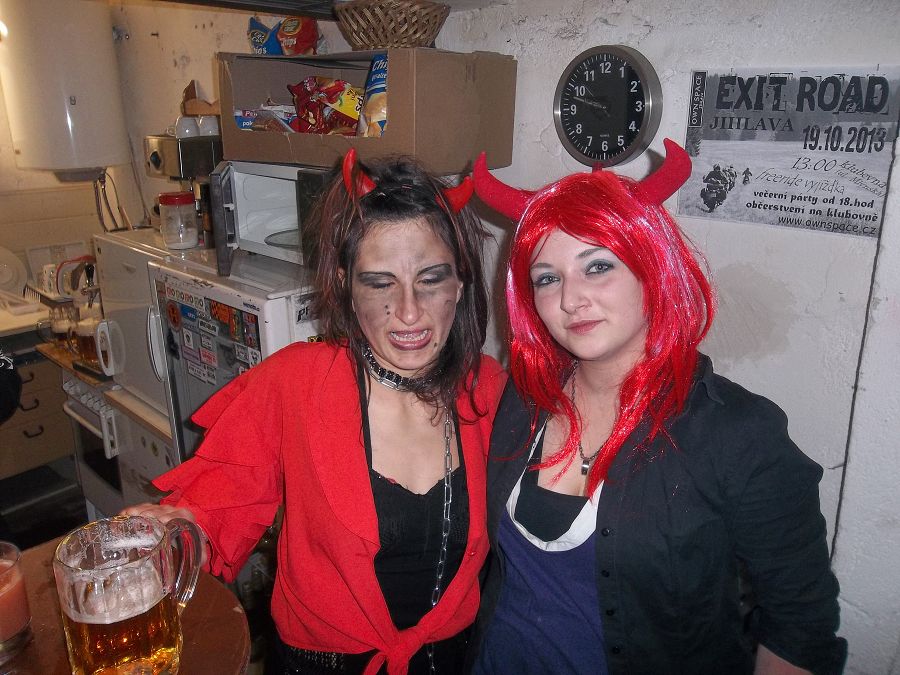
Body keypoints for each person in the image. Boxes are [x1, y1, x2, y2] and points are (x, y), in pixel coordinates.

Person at [467, 139, 846, 674]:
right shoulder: (521, 401)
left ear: (652, 268)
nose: (570, 299)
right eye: (547, 278)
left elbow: (800, 628)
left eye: (597, 266)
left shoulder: (738, 435)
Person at [124, 150, 507, 675]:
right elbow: (219, 503)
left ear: (460, 283)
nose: (409, 310)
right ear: (346, 286)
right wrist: (178, 531)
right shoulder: (295, 384)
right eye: (379, 282)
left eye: (431, 279)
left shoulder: (488, 391)